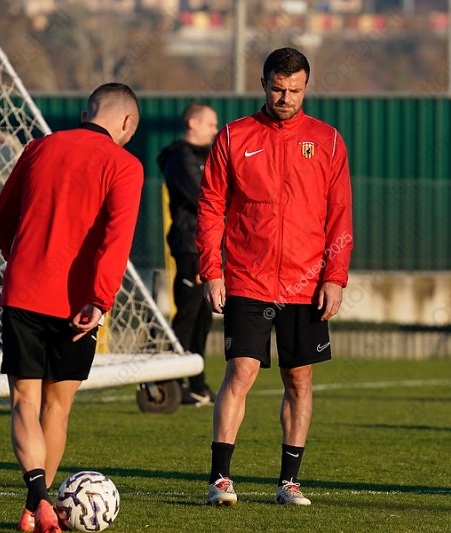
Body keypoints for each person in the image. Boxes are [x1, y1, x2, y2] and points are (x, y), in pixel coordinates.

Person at [196, 47, 353, 507]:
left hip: (307, 283)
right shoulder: (233, 136)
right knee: (241, 371)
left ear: (307, 87)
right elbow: (211, 208)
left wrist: (335, 277)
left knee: (298, 380)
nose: (286, 98)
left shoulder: (327, 141)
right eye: (278, 89)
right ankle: (220, 479)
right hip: (248, 278)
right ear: (263, 84)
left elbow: (340, 215)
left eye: (295, 90)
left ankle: (289, 482)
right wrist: (211, 270)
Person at [0, 83, 142, 533]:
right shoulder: (125, 165)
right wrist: (100, 299)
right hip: (78, 305)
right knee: (57, 409)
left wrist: (19, 259)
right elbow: (118, 240)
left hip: (23, 292)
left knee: (24, 400)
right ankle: (36, 505)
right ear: (127, 122)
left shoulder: (38, 148)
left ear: (85, 113)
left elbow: (0, 216)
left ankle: (38, 501)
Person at [157, 103, 219, 406]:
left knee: (203, 318)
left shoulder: (206, 157)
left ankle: (196, 383)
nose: (215, 131)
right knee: (188, 315)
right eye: (210, 124)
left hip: (208, 247)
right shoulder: (180, 158)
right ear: (193, 123)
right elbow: (203, 199)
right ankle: (167, 380)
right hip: (189, 247)